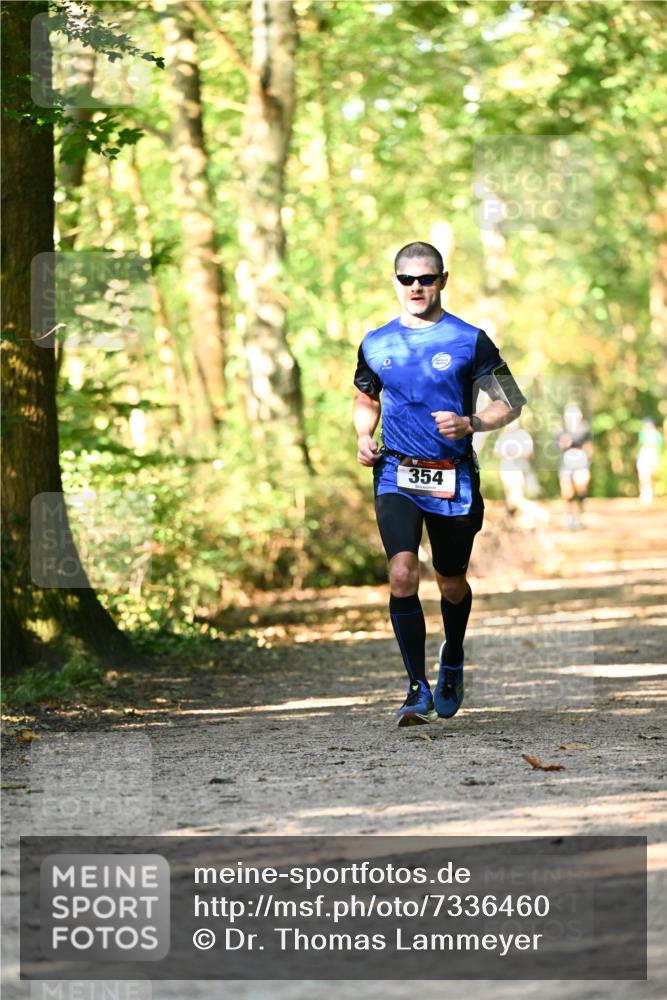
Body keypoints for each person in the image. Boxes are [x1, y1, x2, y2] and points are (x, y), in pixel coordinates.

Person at [353, 241, 526, 727]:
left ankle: (452, 656)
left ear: (442, 281)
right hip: (396, 473)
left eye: (425, 279)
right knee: (403, 573)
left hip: (453, 478)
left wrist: (472, 423)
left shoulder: (471, 339)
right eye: (407, 279)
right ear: (395, 282)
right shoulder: (376, 342)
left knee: (450, 582)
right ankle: (415, 689)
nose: (416, 287)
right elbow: (365, 397)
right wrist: (364, 435)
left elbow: (510, 401)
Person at [556, 402, 592, 529]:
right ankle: (570, 516)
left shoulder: (585, 428)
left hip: (581, 462)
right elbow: (557, 446)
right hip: (566, 463)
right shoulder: (561, 429)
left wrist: (587, 462)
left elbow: (589, 446)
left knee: (581, 484)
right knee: (567, 491)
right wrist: (563, 443)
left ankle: (581, 512)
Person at [636, 417, 663, 504]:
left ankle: (650, 493)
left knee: (651, 476)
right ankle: (644, 494)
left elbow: (659, 446)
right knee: (643, 476)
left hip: (652, 457)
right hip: (644, 456)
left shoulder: (657, 435)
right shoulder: (642, 434)